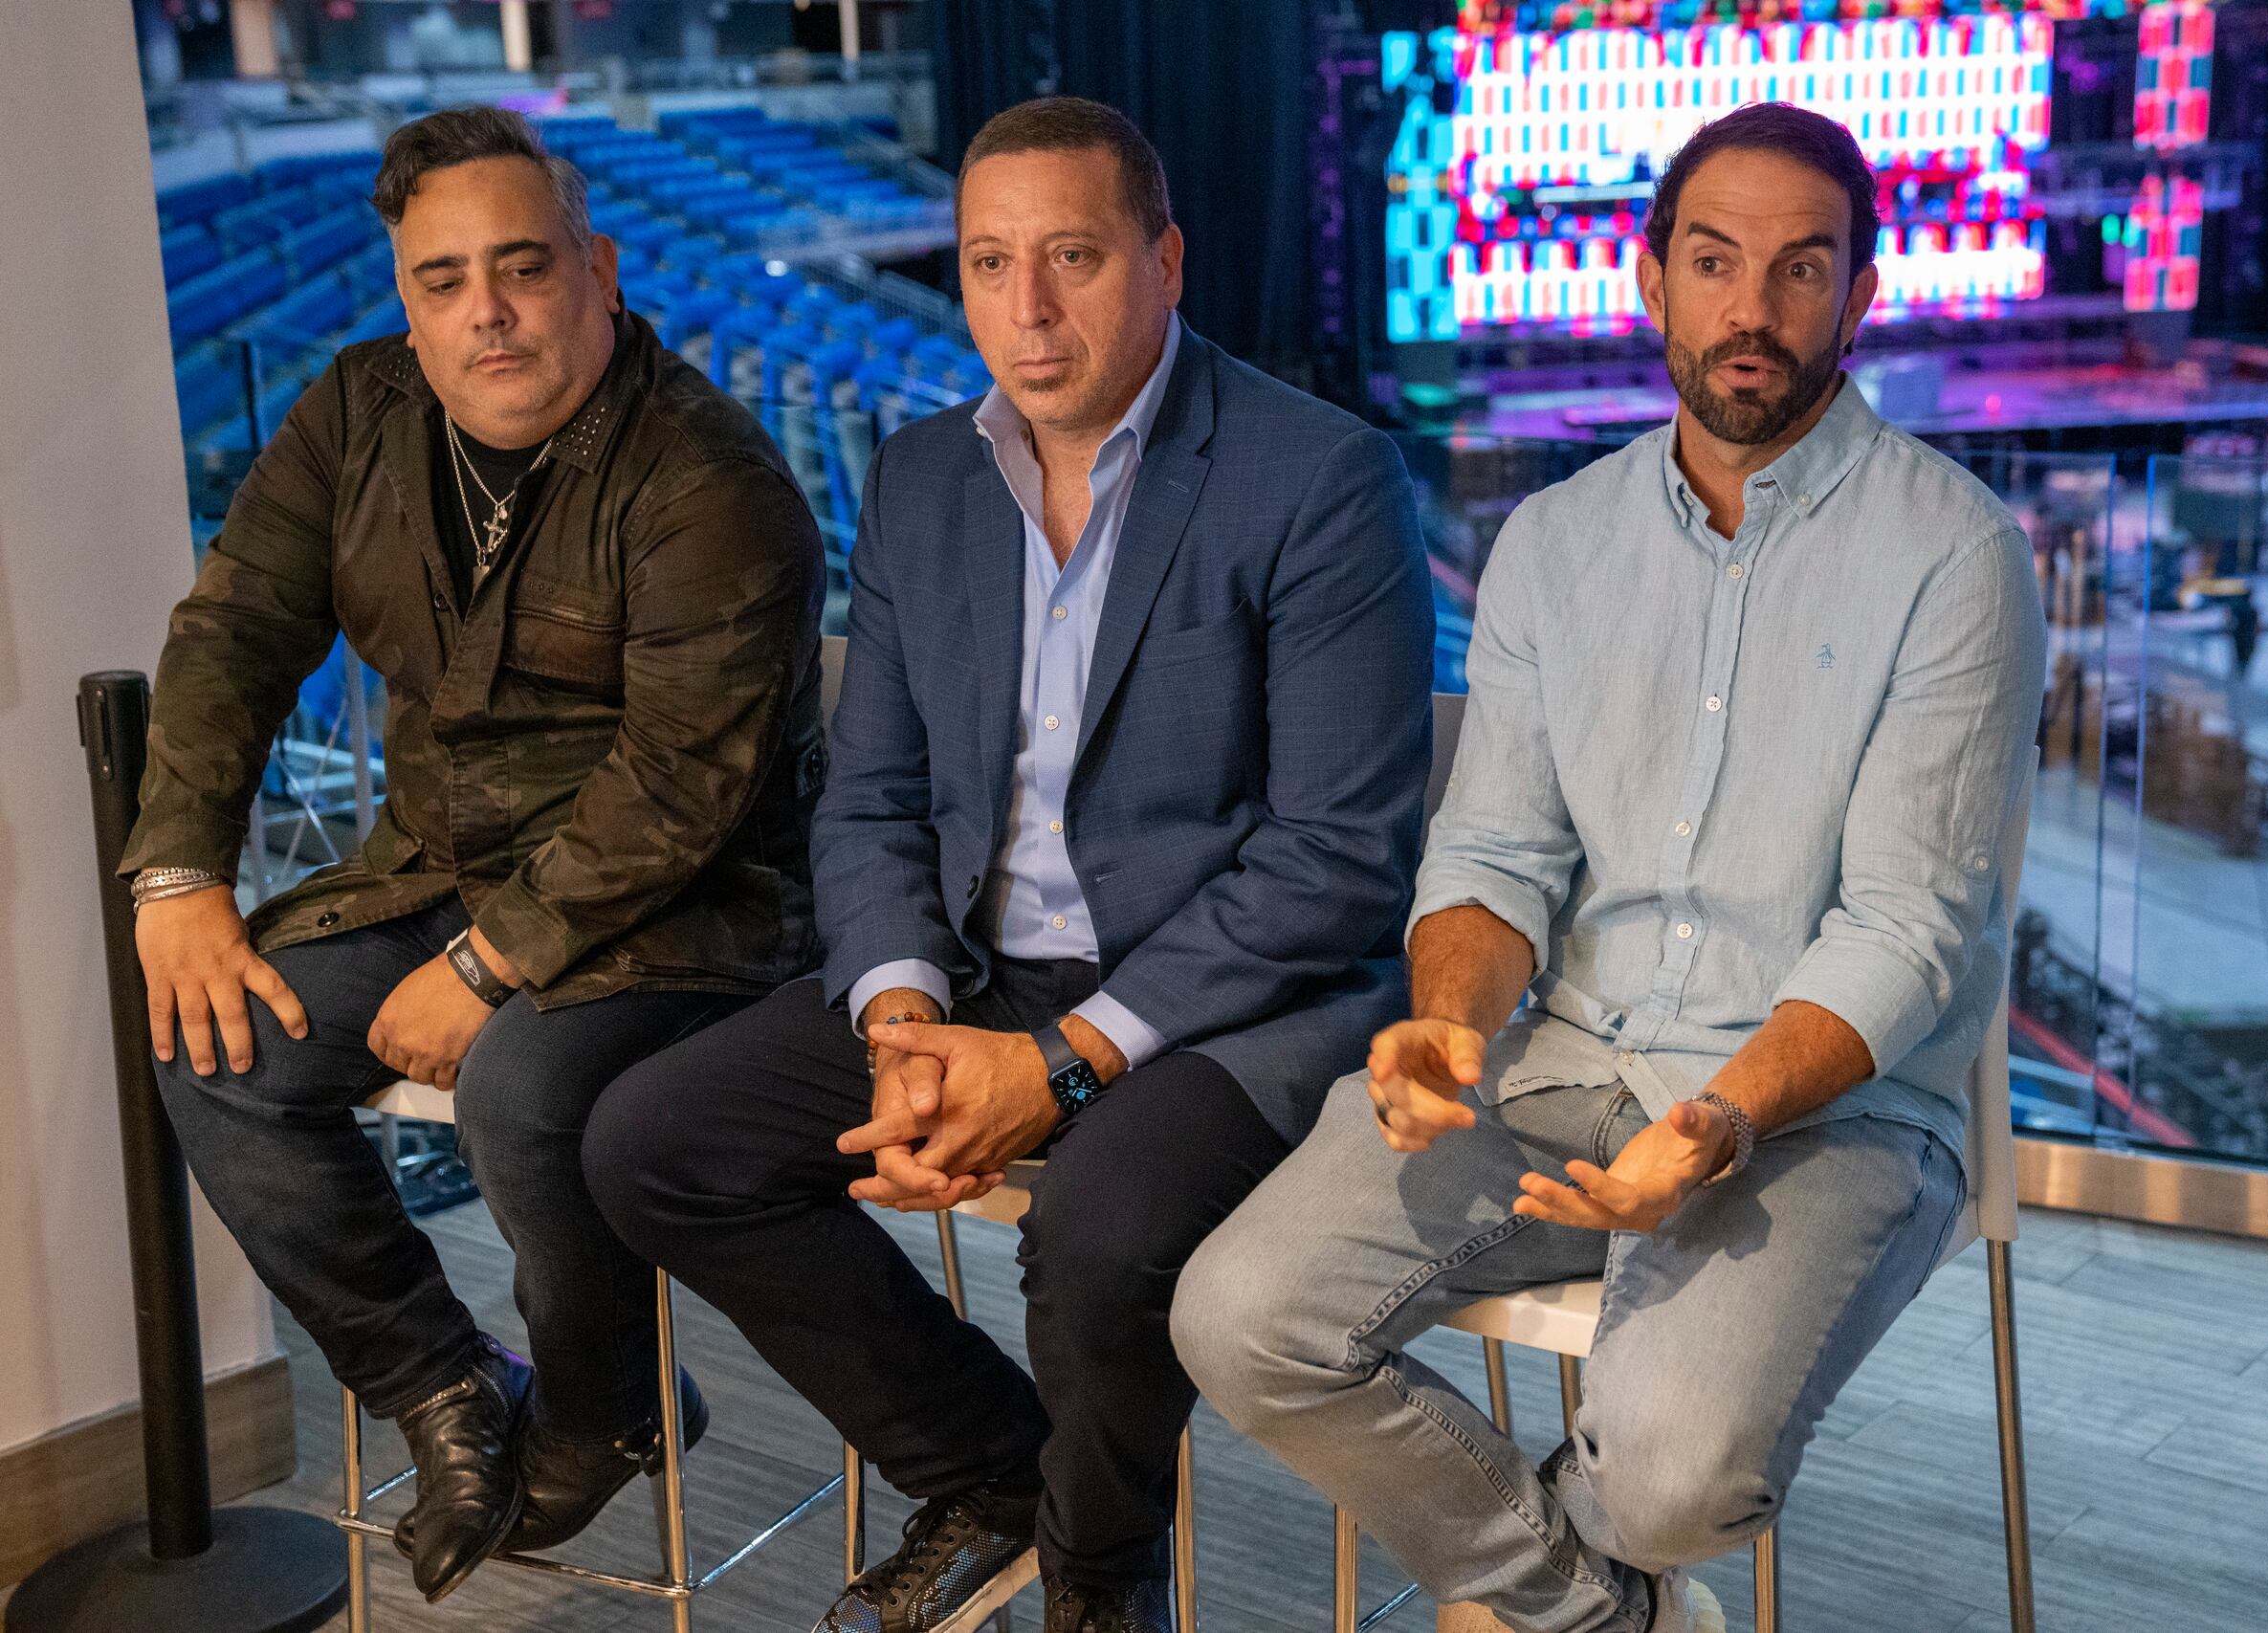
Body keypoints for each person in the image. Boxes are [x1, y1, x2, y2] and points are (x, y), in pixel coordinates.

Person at [1175, 101, 2048, 1633]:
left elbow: (1908, 926)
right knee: (1237, 1317)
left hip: (1828, 1104)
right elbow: (1497, 850)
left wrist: (1722, 1113)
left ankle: (1566, 1557)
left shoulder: (1956, 554)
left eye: (1799, 269)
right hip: (1566, 1061)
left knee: (1672, 1484)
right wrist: (1452, 1010)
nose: (1752, 310)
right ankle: (1598, 1613)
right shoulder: (1554, 541)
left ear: (1862, 291)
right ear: (1651, 280)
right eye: (1713, 262)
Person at [584, 97, 1433, 1633]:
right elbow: (876, 795)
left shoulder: (1319, 477)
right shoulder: (924, 477)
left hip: (1234, 1001)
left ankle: (1101, 1590)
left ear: (1165, 262)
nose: (1028, 310)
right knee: (654, 1141)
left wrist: (1061, 1065)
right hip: (984, 971)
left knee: (1096, 1225)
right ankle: (996, 1475)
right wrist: (905, 1023)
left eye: (1074, 257)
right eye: (989, 262)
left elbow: (1338, 863)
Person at [123, 107, 826, 1602]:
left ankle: (604, 1399)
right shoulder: (358, 412)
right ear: (406, 302)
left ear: (601, 268)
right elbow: (236, 631)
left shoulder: (712, 478)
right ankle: (452, 1390)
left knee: (515, 1085)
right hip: (440, 866)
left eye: (521, 267)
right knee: (216, 1047)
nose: (485, 312)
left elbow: (677, 788)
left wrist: (485, 964)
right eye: (444, 281)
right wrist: (180, 875)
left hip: (688, 907)